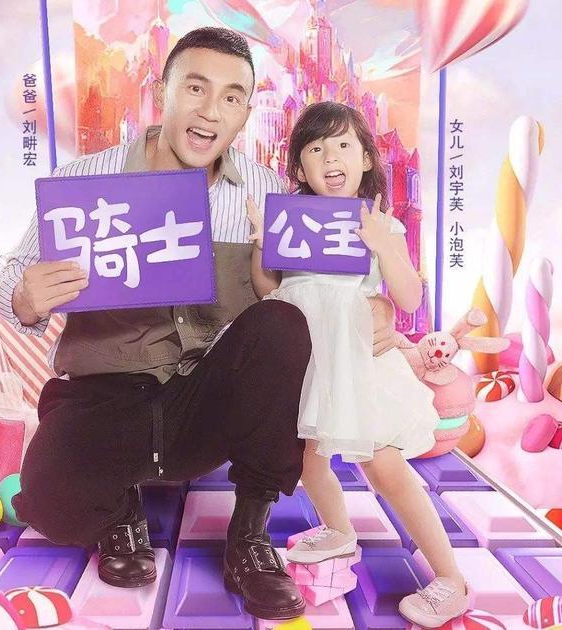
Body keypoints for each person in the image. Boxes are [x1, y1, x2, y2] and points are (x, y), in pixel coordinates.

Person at [0, 29, 399, 621]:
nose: (211, 111)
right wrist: (25, 297)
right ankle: (120, 511)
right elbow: (11, 275)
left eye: (232, 97)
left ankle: (250, 534)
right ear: (161, 92)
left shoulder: (267, 194)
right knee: (50, 504)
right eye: (195, 87)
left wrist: (379, 306)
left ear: (245, 113)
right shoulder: (86, 180)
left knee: (282, 321)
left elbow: (324, 279)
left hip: (206, 400)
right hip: (106, 397)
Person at [246, 102, 470, 628]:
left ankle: (451, 578)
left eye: (343, 145)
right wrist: (261, 246)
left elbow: (410, 298)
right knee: (308, 458)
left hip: (363, 365)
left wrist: (384, 247)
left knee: (383, 466)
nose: (331, 157)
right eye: (316, 148)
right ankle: (339, 530)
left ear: (366, 158)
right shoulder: (291, 224)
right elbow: (268, 292)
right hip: (310, 364)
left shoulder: (380, 223)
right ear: (299, 168)